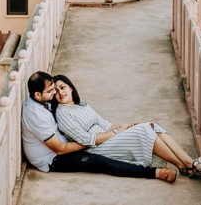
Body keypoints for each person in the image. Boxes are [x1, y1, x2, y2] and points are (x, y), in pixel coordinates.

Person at [21, 72, 174, 182]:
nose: (55, 93)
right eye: (50, 91)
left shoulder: (41, 102)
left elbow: (101, 123)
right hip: (51, 159)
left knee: (114, 146)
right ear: (37, 95)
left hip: (62, 146)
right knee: (100, 162)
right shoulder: (36, 114)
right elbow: (60, 149)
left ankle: (182, 163)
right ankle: (155, 173)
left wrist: (99, 137)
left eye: (56, 88)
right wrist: (89, 141)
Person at [52, 74, 201, 177]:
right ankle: (187, 164)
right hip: (96, 148)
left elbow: (104, 124)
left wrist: (126, 128)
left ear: (71, 87)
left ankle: (187, 163)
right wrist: (116, 133)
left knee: (150, 126)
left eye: (62, 87)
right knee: (143, 131)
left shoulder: (81, 104)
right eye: (56, 91)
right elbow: (86, 139)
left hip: (108, 138)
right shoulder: (62, 113)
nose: (61, 92)